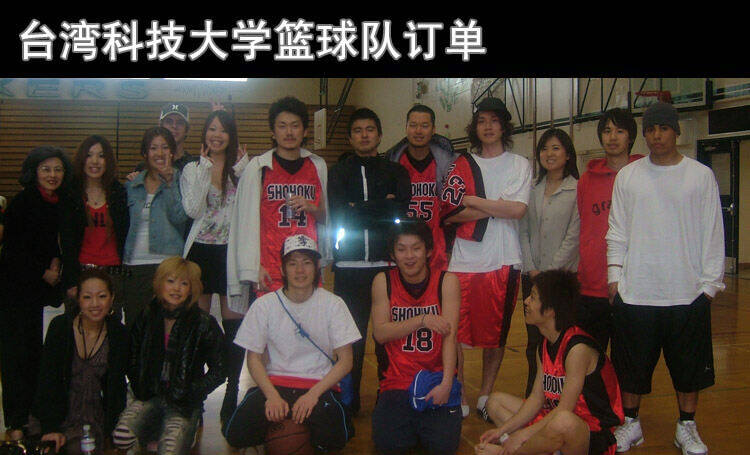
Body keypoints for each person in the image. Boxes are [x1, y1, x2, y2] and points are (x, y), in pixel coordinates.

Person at [606, 102, 724, 455]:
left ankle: (686, 426)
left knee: (689, 370)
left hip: (686, 294)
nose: (657, 135)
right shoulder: (629, 176)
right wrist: (615, 278)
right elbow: (617, 230)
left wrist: (709, 286)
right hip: (636, 293)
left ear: (676, 131)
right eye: (651, 129)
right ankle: (631, 423)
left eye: (664, 128)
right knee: (631, 368)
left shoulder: (700, 176)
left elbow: (712, 231)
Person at [224, 234, 360, 452]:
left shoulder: (333, 304)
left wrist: (313, 395)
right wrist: (271, 396)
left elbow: (346, 361)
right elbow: (254, 359)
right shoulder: (264, 305)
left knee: (336, 439)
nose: (300, 270)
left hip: (318, 384)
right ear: (282, 269)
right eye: (293, 263)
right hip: (277, 382)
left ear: (317, 268)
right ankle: (278, 431)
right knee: (235, 435)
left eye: (307, 263)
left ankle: (305, 431)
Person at [441, 97, 531, 419]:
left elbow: (517, 210)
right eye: (482, 121)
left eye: (494, 121)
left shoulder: (519, 164)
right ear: (474, 127)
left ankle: (486, 394)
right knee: (455, 332)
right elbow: (450, 213)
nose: (488, 127)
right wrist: (496, 206)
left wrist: (474, 201)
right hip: (464, 259)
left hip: (504, 259)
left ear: (504, 126)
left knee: (496, 334)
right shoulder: (461, 165)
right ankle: (460, 392)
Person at [476, 270, 623, 455]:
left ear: (551, 310)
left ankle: (508, 452)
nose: (526, 301)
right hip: (555, 420)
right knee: (494, 401)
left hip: (590, 431)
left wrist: (522, 435)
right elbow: (536, 399)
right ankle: (535, 448)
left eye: (533, 297)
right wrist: (502, 431)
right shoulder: (545, 344)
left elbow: (565, 409)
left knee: (563, 421)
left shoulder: (577, 349)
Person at [327, 107, 411, 414]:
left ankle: (390, 402)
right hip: (348, 268)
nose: (364, 135)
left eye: (370, 129)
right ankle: (347, 407)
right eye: (358, 130)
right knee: (351, 341)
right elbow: (340, 213)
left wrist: (358, 207)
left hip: (386, 269)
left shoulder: (396, 172)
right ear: (350, 138)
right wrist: (380, 206)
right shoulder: (337, 173)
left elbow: (398, 212)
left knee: (388, 341)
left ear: (379, 135)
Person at [112, 256, 224, 455]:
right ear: (159, 283)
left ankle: (179, 432)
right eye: (170, 281)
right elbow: (131, 357)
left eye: (184, 283)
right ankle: (148, 436)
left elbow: (220, 368)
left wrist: (193, 391)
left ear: (192, 288)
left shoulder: (204, 323)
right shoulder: (146, 316)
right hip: (147, 394)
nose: (176, 288)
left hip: (182, 402)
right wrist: (139, 383)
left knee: (169, 450)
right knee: (122, 436)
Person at [180, 109, 249, 424]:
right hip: (200, 254)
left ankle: (233, 389)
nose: (216, 135)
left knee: (235, 326)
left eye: (222, 130)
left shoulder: (242, 168)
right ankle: (195, 396)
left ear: (231, 135)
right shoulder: (193, 168)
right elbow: (193, 210)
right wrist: (205, 171)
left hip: (231, 255)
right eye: (211, 129)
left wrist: (243, 170)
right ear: (204, 133)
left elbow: (249, 210)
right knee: (197, 325)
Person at [227, 96, 330, 306]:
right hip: (270, 268)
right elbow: (245, 224)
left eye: (295, 126)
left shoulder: (317, 166)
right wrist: (253, 266)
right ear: (273, 132)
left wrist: (312, 208)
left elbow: (327, 219)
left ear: (305, 131)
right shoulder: (259, 168)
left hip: (307, 266)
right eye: (282, 126)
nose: (289, 132)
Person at [0, 146, 73, 440]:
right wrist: (43, 271)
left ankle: (37, 417)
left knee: (39, 357)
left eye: (58, 169)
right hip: (16, 292)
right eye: (46, 169)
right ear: (34, 172)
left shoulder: (61, 201)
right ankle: (16, 421)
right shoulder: (23, 202)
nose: (52, 175)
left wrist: (56, 261)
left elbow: (56, 242)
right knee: (17, 356)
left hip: (44, 291)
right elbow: (12, 251)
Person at [371, 220, 462, 455]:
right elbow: (380, 333)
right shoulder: (383, 281)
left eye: (416, 248)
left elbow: (450, 338)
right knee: (389, 446)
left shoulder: (447, 282)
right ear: (393, 254)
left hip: (436, 379)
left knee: (443, 448)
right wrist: (421, 320)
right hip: (397, 382)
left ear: (428, 250)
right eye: (401, 249)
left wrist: (446, 384)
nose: (409, 256)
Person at [33, 269, 129, 455]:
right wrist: (50, 428)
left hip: (95, 420)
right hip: (56, 415)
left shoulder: (119, 334)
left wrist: (112, 432)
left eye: (102, 296)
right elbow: (47, 380)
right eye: (87, 297)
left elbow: (117, 389)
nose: (95, 304)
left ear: (112, 298)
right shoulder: (60, 327)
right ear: (78, 299)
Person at [519, 128, 580, 396]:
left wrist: (549, 275)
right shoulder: (531, 189)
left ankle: (561, 399)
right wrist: (532, 268)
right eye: (544, 148)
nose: (549, 154)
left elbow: (574, 236)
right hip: (532, 276)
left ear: (568, 154)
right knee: (534, 342)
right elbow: (523, 231)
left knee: (561, 340)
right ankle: (533, 397)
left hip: (561, 280)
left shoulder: (577, 189)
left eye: (556, 148)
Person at [577, 108, 643, 350]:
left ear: (630, 137)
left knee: (629, 360)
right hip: (593, 285)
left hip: (634, 285)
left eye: (620, 131)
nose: (612, 137)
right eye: (607, 131)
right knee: (590, 359)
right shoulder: (586, 180)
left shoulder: (644, 175)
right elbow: (585, 224)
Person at [121, 127, 188, 325]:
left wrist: (168, 183)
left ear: (172, 153)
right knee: (135, 326)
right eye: (153, 148)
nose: (159, 153)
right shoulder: (132, 185)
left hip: (168, 265)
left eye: (165, 147)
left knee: (168, 327)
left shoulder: (182, 180)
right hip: (134, 265)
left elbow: (179, 218)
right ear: (145, 153)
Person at [60, 135, 129, 316]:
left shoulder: (118, 192)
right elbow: (66, 240)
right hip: (80, 271)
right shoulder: (70, 193)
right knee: (77, 327)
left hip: (112, 272)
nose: (95, 161)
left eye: (101, 155)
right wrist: (71, 280)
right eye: (89, 155)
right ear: (82, 159)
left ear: (108, 161)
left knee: (111, 327)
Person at [386, 104, 459, 271]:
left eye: (424, 126)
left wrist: (449, 247)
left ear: (433, 130)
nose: (418, 131)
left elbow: (454, 210)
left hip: (438, 247)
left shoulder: (448, 164)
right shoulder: (393, 164)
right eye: (413, 125)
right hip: (403, 246)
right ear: (406, 128)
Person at [130, 103, 197, 177]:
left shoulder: (195, 165)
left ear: (187, 129)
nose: (174, 126)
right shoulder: (144, 167)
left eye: (180, 122)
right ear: (161, 126)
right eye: (169, 121)